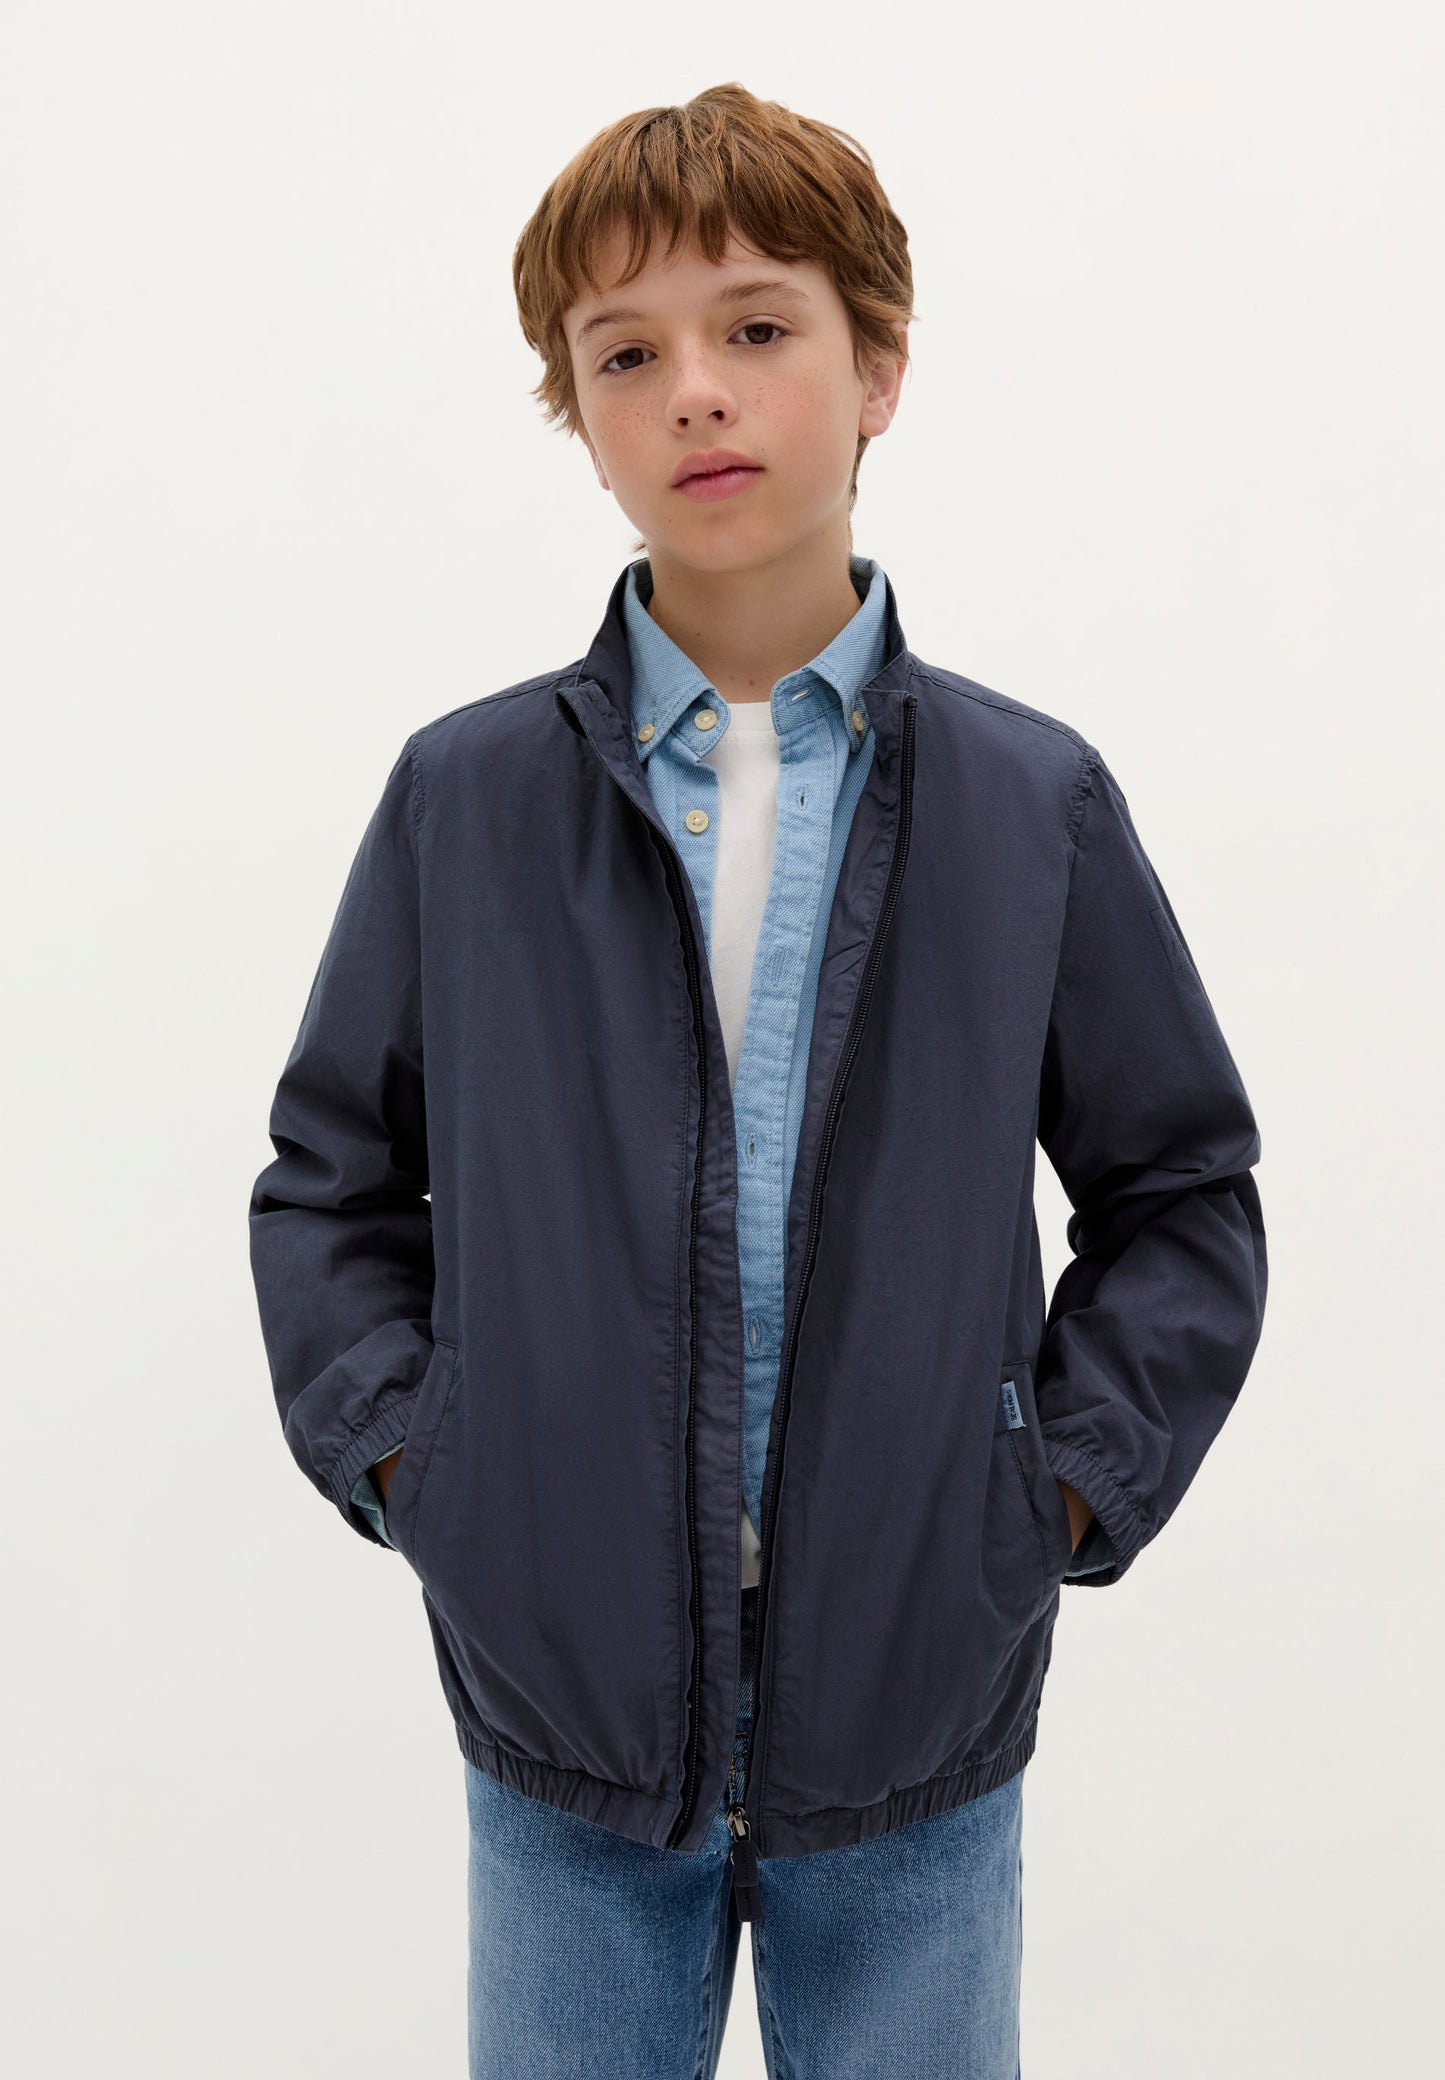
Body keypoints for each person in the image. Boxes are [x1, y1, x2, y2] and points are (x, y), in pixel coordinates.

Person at [248, 81, 1268, 2079]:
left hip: (916, 1715)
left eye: (757, 327)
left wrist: (1050, 1492)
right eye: (625, 354)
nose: (695, 391)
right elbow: (331, 1178)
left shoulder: (1027, 804)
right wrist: (423, 1467)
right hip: (562, 1722)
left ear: (878, 369)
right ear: (575, 411)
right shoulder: (470, 798)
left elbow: (1182, 1193)